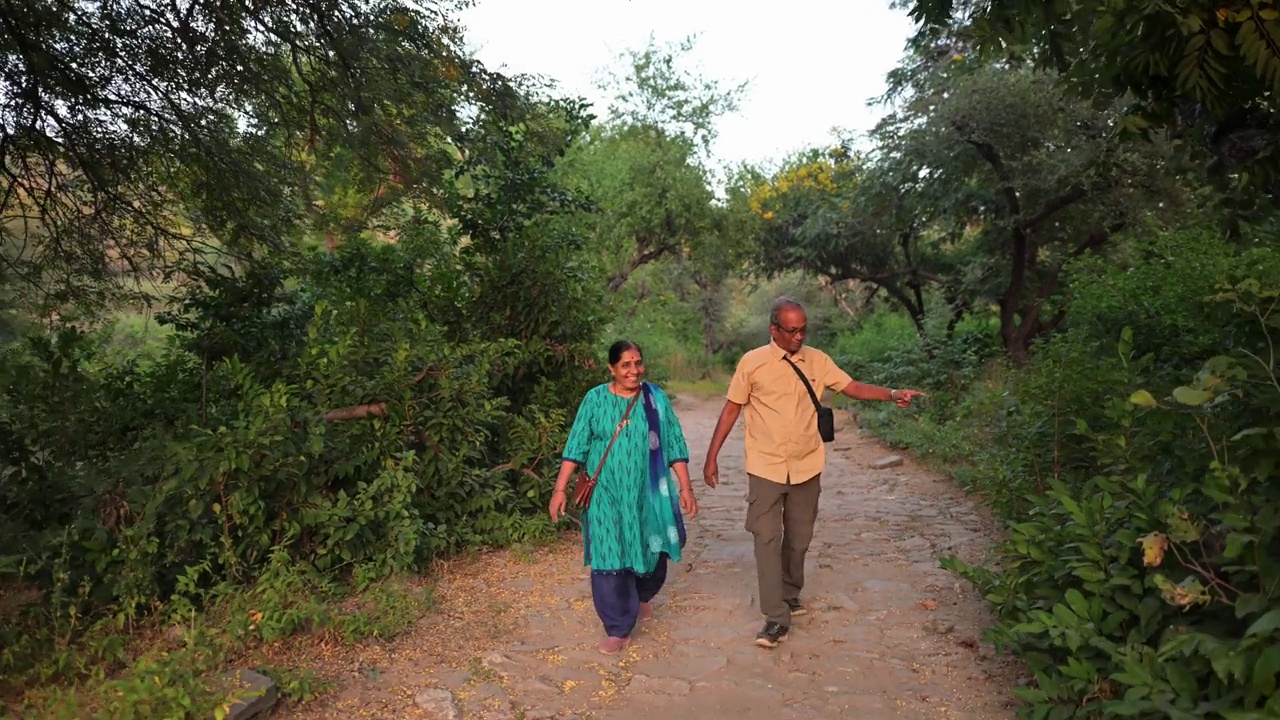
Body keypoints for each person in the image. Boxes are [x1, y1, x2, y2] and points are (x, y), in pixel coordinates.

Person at [702, 298, 924, 649]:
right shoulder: (752, 363)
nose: (799, 336)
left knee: (799, 539)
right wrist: (711, 456)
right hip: (765, 465)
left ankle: (790, 592)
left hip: (806, 464)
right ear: (773, 329)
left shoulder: (817, 360)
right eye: (791, 330)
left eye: (803, 329)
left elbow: (852, 387)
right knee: (766, 539)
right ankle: (775, 618)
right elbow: (731, 408)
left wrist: (891, 393)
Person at [549, 340, 698, 655]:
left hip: (647, 494)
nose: (634, 371)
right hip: (605, 494)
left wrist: (685, 487)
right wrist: (560, 489)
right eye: (626, 365)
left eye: (638, 363)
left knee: (651, 549)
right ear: (612, 369)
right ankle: (617, 627)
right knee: (608, 553)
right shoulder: (594, 400)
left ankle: (643, 594)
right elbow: (576, 446)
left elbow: (674, 442)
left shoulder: (654, 399)